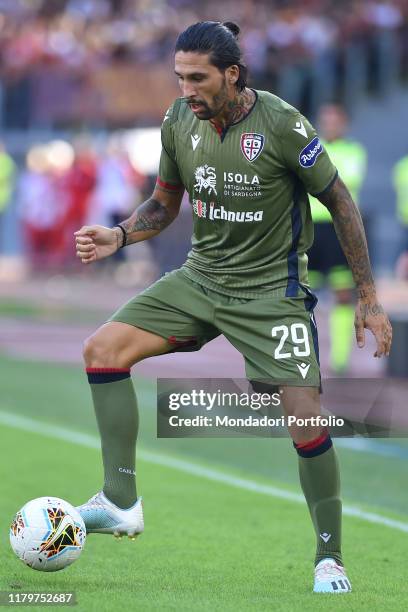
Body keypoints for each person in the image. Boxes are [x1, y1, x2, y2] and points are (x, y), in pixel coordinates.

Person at [74, 21, 392, 594]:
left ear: (232, 74)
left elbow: (340, 202)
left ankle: (329, 558)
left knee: (303, 414)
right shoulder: (178, 122)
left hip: (272, 292)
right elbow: (163, 204)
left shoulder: (282, 123)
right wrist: (119, 236)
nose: (186, 90)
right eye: (180, 78)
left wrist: (369, 298)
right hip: (200, 279)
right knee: (101, 351)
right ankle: (121, 499)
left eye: (198, 79)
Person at [308, 104, 367, 374]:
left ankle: (341, 358)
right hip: (310, 228)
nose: (330, 125)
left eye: (335, 121)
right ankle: (306, 355)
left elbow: (341, 184)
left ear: (344, 125)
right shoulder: (309, 148)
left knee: (342, 293)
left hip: (339, 230)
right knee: (302, 294)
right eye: (326, 120)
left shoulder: (354, 152)